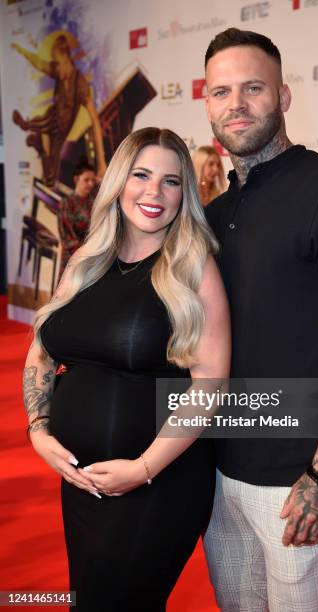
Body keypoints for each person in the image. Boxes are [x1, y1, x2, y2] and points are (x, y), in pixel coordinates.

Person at [202, 28, 318, 611]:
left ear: (283, 98)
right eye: (220, 92)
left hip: (297, 479)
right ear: (206, 103)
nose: (235, 104)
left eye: (252, 88)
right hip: (214, 469)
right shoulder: (212, 212)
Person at [23, 127, 231, 611]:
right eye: (141, 175)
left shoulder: (193, 267)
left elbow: (210, 383)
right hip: (84, 484)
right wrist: (38, 429)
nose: (154, 192)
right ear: (119, 180)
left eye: (171, 181)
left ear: (187, 193)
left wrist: (142, 469)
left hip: (158, 486)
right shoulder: (85, 262)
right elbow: (41, 348)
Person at [11, 34, 107, 186]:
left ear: (67, 58)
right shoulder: (58, 70)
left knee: (51, 170)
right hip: (53, 118)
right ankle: (28, 125)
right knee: (45, 120)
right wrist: (21, 50)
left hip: (62, 128)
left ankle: (38, 143)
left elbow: (95, 121)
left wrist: (102, 162)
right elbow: (39, 63)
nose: (56, 67)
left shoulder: (79, 83)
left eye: (58, 62)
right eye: (54, 63)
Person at [57, 158, 98, 280]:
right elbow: (67, 237)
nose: (91, 184)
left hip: (94, 258)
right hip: (74, 259)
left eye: (93, 180)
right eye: (86, 180)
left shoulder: (94, 203)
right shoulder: (66, 203)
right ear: (76, 179)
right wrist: (87, 252)